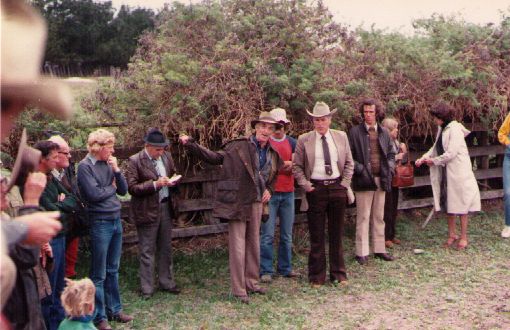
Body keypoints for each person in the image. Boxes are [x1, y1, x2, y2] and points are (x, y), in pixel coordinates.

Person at [180, 112, 281, 304]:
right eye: (262, 127)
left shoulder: (271, 152)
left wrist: (269, 189)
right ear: (255, 128)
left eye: (270, 128)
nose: (266, 131)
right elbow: (214, 157)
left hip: (258, 202)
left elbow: (273, 174)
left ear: (274, 131)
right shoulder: (239, 146)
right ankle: (239, 289)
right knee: (238, 245)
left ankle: (252, 282)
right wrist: (191, 144)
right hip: (238, 200)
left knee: (254, 243)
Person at [77, 129, 133, 330]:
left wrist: (117, 171)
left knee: (113, 269)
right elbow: (93, 195)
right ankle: (99, 317)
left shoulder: (109, 164)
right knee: (99, 273)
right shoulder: (85, 167)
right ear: (98, 147)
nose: (113, 150)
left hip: (115, 219)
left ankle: (115, 310)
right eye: (109, 147)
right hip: (100, 222)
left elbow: (124, 191)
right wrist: (110, 188)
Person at [293, 102, 354, 286]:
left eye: (323, 119)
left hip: (337, 187)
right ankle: (316, 276)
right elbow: (296, 166)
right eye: (317, 120)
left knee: (336, 233)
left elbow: (350, 163)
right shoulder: (304, 139)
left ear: (330, 120)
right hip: (316, 189)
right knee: (317, 234)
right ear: (313, 121)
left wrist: (344, 184)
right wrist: (307, 185)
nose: (320, 123)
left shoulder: (341, 137)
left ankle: (339, 274)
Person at [416, 103, 480, 250]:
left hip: (459, 173)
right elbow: (435, 147)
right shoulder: (442, 128)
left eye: (436, 117)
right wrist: (424, 158)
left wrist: (433, 161)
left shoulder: (455, 129)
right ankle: (452, 234)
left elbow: (451, 153)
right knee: (449, 202)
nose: (434, 120)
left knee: (462, 204)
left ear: (442, 117)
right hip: (446, 172)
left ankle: (463, 237)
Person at [126, 128, 181, 299]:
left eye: (163, 148)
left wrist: (173, 182)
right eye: (158, 149)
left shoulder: (166, 157)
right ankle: (147, 288)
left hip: (165, 206)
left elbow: (173, 173)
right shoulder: (134, 161)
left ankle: (167, 282)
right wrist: (155, 185)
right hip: (146, 210)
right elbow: (132, 188)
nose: (161, 152)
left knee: (165, 248)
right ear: (147, 146)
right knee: (147, 250)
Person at [35, 140, 78, 330]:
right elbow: (49, 211)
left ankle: (60, 325)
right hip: (49, 240)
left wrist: (60, 204)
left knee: (60, 287)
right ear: (42, 159)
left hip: (61, 236)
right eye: (53, 157)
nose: (57, 160)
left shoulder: (51, 177)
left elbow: (72, 200)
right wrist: (61, 206)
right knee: (49, 290)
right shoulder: (37, 181)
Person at [348, 98, 396, 265]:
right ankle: (361, 252)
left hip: (381, 178)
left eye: (371, 112)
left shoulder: (384, 132)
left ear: (377, 113)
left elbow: (391, 153)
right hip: (363, 179)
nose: (368, 115)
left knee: (379, 215)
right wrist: (360, 169)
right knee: (363, 216)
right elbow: (349, 157)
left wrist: (389, 167)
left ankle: (379, 249)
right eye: (365, 112)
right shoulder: (354, 132)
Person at [259, 108, 298, 283]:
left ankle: (285, 268)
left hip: (288, 192)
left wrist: (293, 164)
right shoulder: (266, 144)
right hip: (271, 193)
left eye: (282, 125)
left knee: (286, 234)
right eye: (276, 125)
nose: (279, 128)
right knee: (267, 234)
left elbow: (299, 163)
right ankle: (265, 269)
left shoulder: (292, 142)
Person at [48, 134, 86, 279]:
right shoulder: (46, 176)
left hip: (72, 226)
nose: (70, 156)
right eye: (66, 153)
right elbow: (50, 207)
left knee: (68, 270)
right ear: (55, 154)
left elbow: (74, 198)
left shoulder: (68, 170)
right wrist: (64, 204)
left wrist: (64, 203)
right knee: (55, 272)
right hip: (55, 231)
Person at [381, 118, 408, 248]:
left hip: (395, 177)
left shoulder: (396, 142)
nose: (397, 130)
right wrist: (397, 156)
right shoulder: (383, 142)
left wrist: (403, 151)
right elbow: (384, 159)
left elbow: (401, 159)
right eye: (394, 128)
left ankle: (391, 234)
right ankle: (385, 236)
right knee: (386, 207)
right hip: (387, 177)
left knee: (393, 207)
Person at [498, 112, 510, 238]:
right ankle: (508, 225)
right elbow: (501, 133)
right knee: (508, 193)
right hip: (509, 158)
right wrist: (508, 143)